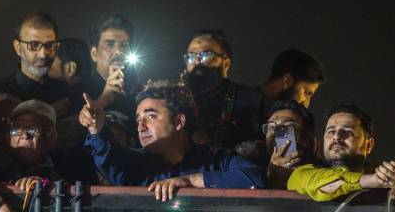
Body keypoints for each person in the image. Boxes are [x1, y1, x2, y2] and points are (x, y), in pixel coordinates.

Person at [79, 80, 264, 201]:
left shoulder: (216, 160)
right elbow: (108, 157)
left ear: (178, 121)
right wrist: (96, 126)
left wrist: (190, 180)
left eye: (150, 116)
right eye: (138, 119)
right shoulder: (134, 164)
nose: (140, 126)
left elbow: (254, 178)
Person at [182, 29, 267, 149]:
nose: (197, 62)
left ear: (226, 64)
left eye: (206, 55)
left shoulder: (252, 99)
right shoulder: (180, 102)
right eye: (191, 56)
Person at [0, 13, 69, 116]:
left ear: (56, 47)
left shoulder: (65, 91)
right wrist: (46, 113)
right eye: (34, 45)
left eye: (49, 45)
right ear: (18, 47)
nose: (43, 54)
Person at [84, 13, 138, 118]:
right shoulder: (79, 91)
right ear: (94, 54)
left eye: (124, 45)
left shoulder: (138, 93)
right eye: (110, 44)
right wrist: (104, 99)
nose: (118, 51)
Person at [47, 38, 94, 146]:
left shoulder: (69, 97)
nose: (45, 64)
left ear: (70, 68)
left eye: (51, 61)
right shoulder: (94, 91)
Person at [262, 99, 318, 189]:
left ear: (308, 139)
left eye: (288, 126)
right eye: (271, 127)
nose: (276, 131)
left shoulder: (320, 175)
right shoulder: (254, 176)